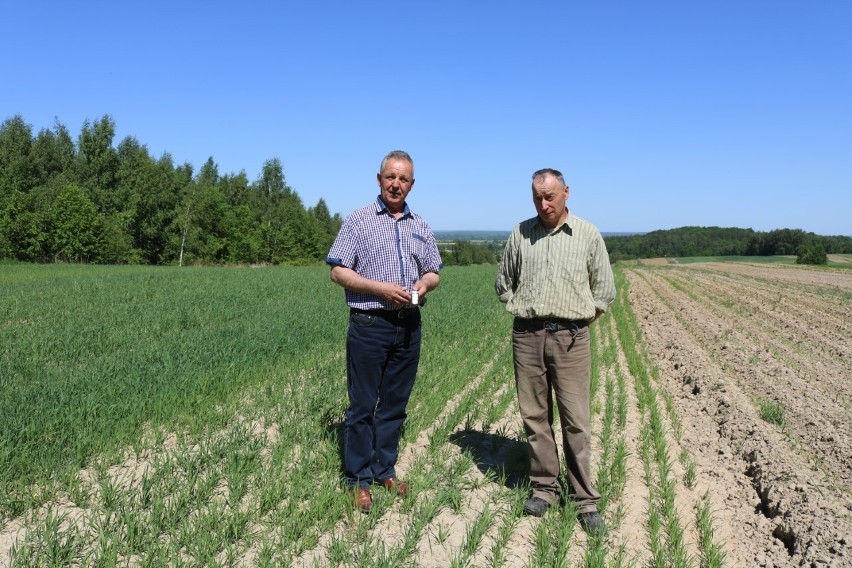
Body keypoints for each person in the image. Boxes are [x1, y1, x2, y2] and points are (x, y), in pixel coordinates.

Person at [495, 167, 616, 533]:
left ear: (566, 192)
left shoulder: (588, 234)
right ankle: (544, 488)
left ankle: (584, 499)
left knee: (576, 421)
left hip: (572, 338)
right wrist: (525, 309)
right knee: (535, 417)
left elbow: (604, 291)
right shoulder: (521, 233)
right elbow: (503, 284)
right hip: (527, 336)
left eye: (550, 196)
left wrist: (576, 324)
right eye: (537, 197)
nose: (543, 203)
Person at [326, 150, 442, 513]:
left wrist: (423, 285)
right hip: (369, 324)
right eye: (390, 177)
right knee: (362, 405)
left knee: (395, 404)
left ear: (412, 184)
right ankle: (357, 478)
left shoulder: (420, 225)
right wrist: (380, 288)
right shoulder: (358, 221)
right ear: (379, 180)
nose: (396, 184)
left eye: (403, 179)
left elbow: (434, 271)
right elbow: (337, 271)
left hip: (408, 325)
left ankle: (384, 469)